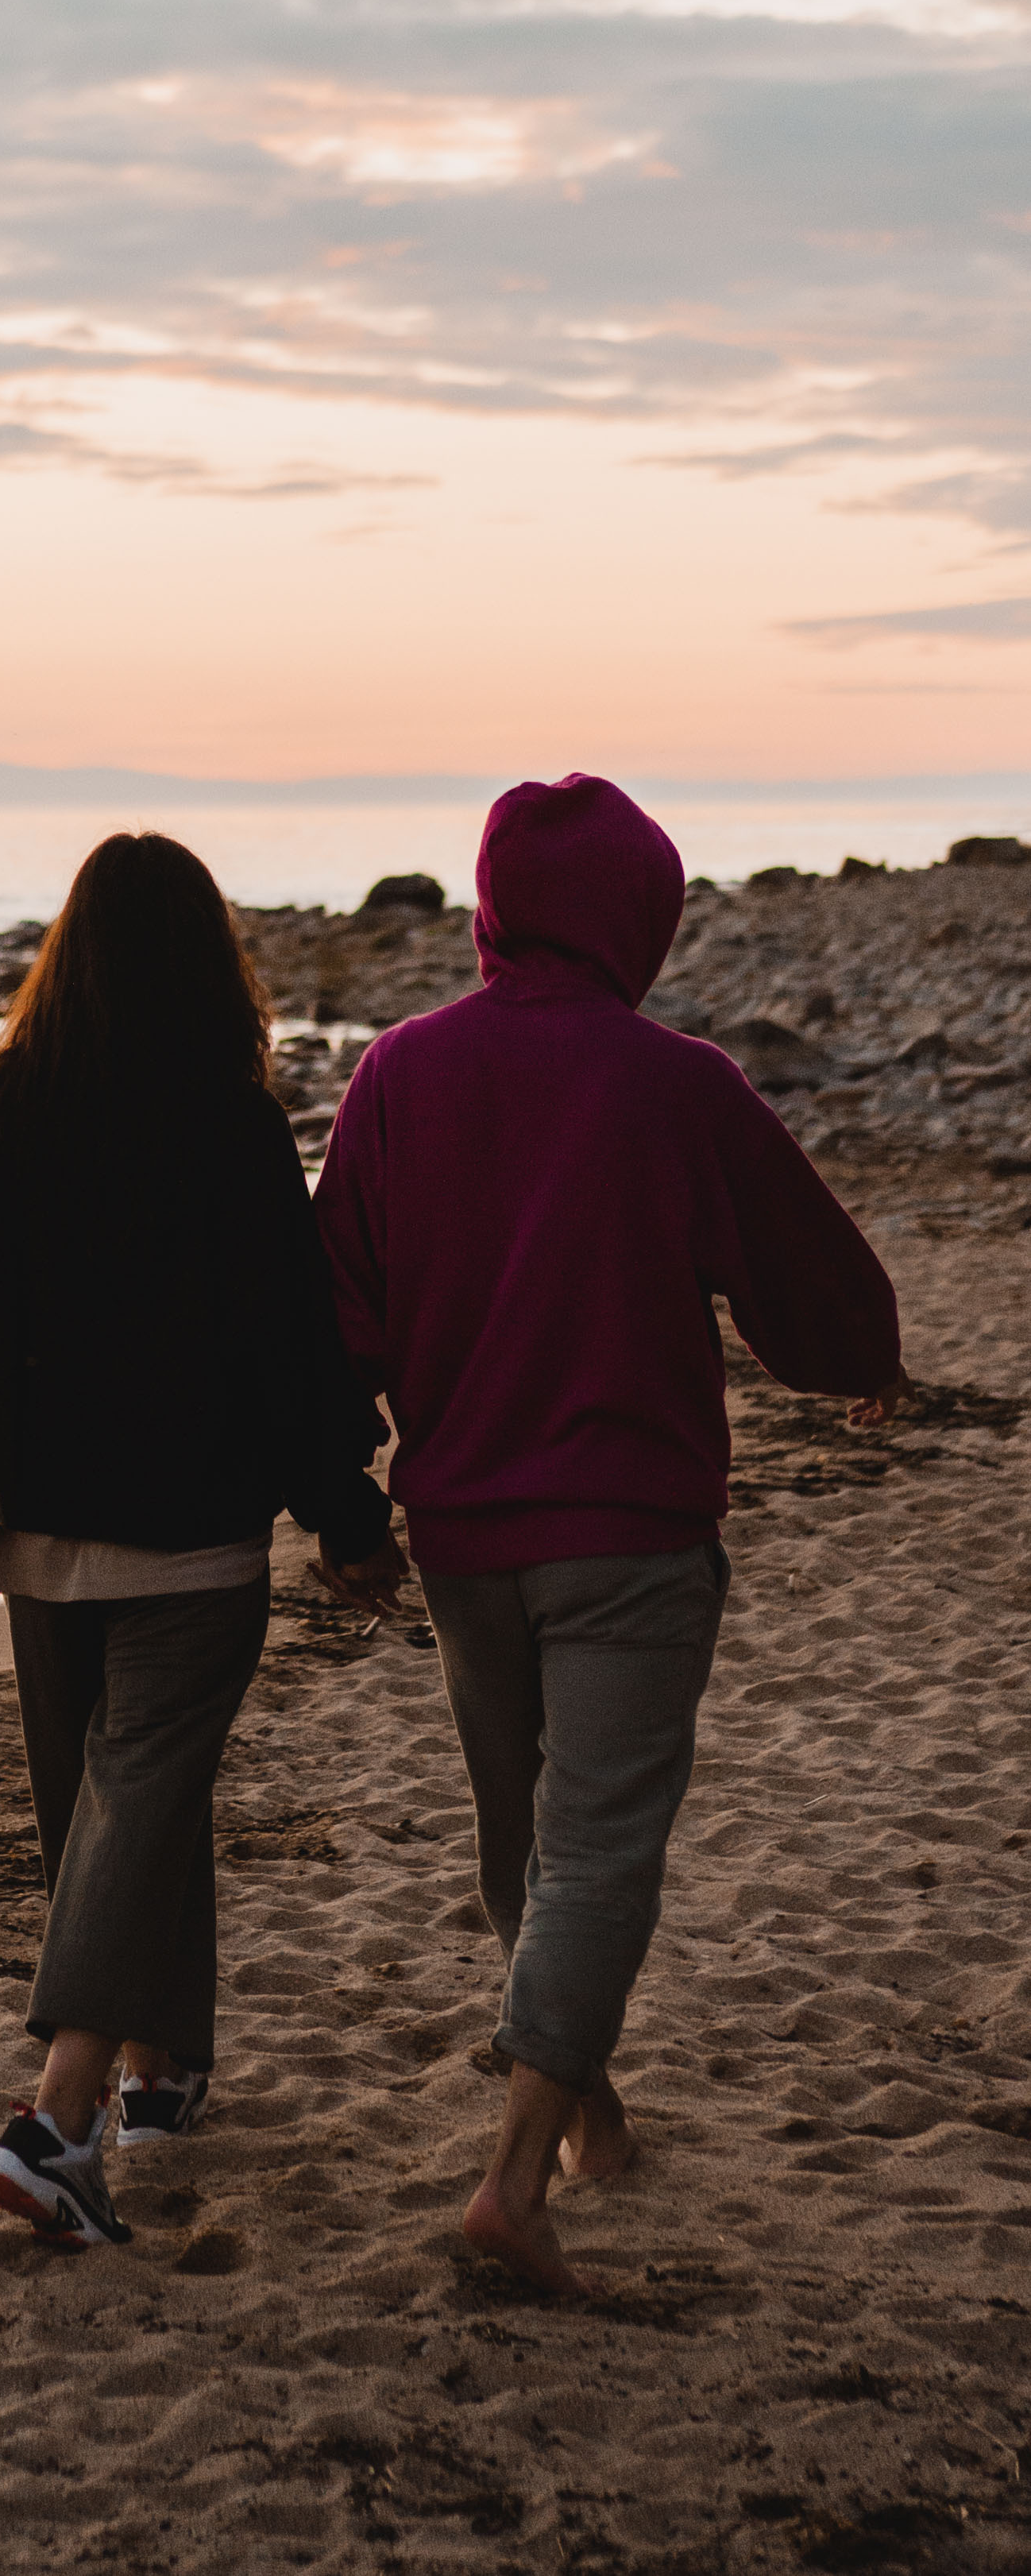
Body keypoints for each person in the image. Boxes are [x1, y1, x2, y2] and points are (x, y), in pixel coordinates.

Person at [312, 775, 905, 2297]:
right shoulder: (677, 1082)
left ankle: (592, 2123)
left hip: (463, 1533)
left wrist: (336, 1497)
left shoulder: (397, 1072)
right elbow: (801, 1259)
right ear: (638, 914)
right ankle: (515, 2181)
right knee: (590, 1852)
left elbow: (336, 1316)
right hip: (630, 1533)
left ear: (492, 906)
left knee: (521, 1841)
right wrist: (863, 1357)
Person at [0, 831, 397, 2249]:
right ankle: (54, 2122)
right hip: (192, 1544)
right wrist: (343, 1506)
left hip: (46, 1545)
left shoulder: (1, 1115)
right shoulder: (229, 1123)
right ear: (208, 962)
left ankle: (157, 2072)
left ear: (67, 956)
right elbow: (287, 1340)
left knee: (109, 1819)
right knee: (131, 1809)